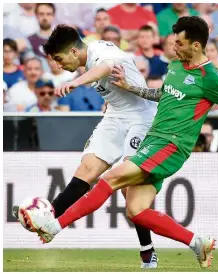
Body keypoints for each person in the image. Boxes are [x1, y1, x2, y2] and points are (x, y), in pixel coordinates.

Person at [23, 17, 218, 269]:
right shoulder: (176, 65)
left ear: (195, 45)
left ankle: (53, 227)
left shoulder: (211, 77)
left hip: (170, 144)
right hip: (152, 137)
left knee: (109, 180)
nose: (172, 47)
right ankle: (196, 243)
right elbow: (160, 94)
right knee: (136, 209)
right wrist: (130, 87)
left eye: (178, 43)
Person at [13, 24, 158, 269]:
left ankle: (148, 252)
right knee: (86, 170)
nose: (58, 65)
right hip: (115, 115)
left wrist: (75, 82)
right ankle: (48, 220)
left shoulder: (100, 53)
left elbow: (107, 67)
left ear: (72, 51)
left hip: (141, 119)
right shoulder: (92, 53)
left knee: (128, 191)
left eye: (59, 59)